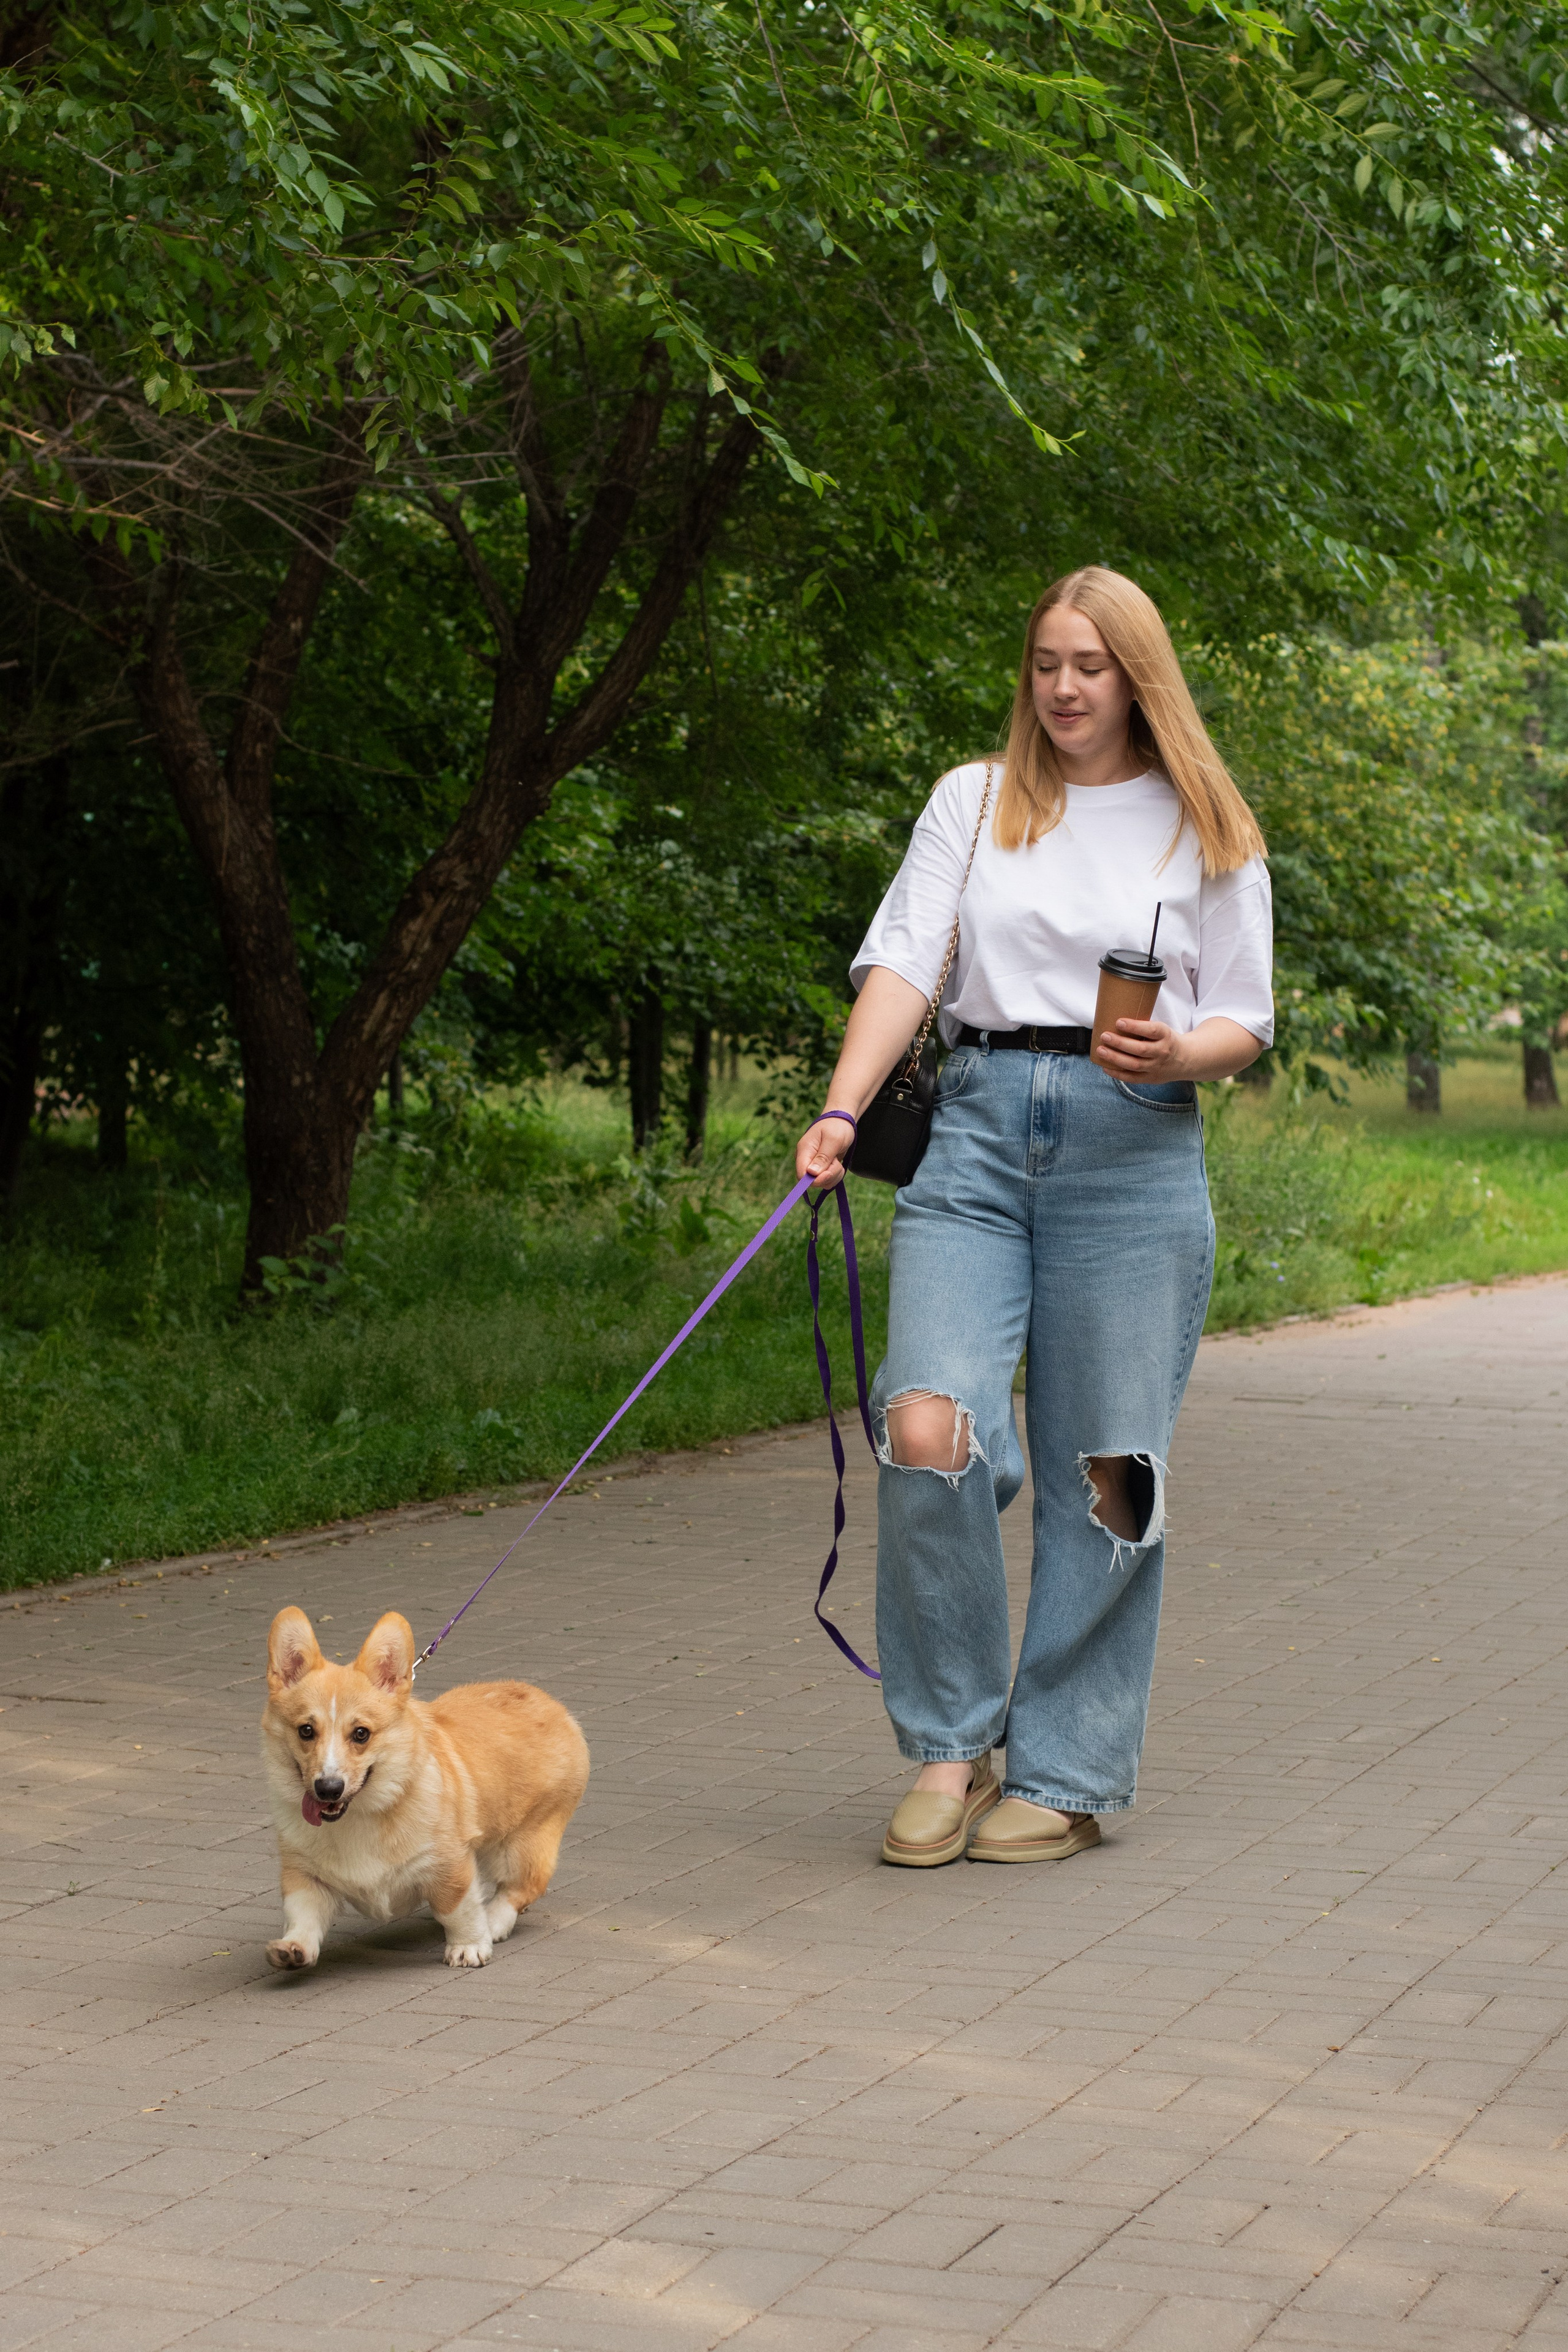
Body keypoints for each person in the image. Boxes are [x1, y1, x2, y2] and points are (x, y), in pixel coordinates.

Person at [796, 567, 1273, 1866]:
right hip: (978, 1134)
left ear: (1137, 678)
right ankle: (952, 1745)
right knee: (925, 1422)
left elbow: (1246, 1013)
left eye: (1090, 667)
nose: (1062, 689)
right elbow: (904, 957)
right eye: (1046, 663)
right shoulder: (975, 797)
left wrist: (1180, 1057)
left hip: (1133, 1152)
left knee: (1111, 1481)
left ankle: (1062, 1767)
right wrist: (840, 1111)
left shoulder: (1201, 822)